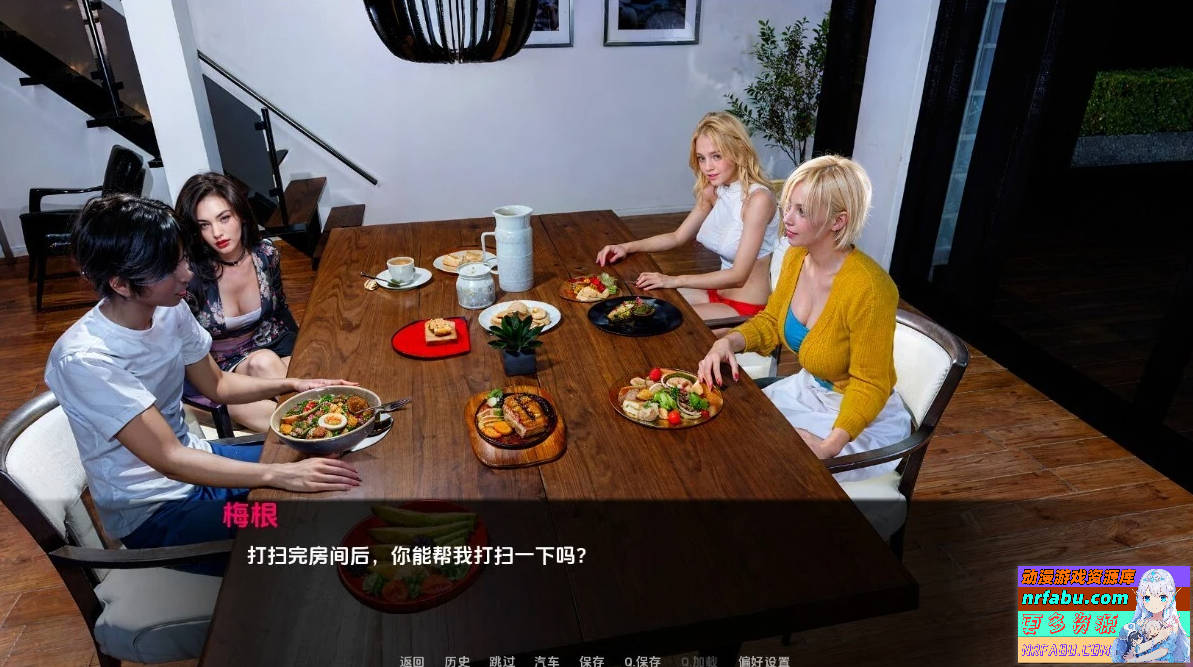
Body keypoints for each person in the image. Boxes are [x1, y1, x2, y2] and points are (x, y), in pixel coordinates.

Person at [44, 194, 359, 571]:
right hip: (158, 511)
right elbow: (170, 460)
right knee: (296, 525)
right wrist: (280, 474)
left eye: (182, 258)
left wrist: (291, 385)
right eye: (169, 267)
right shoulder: (87, 360)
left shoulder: (168, 309)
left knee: (331, 457)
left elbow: (218, 385)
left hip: (199, 462)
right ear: (121, 284)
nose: (187, 274)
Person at [696, 155, 910, 481]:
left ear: (838, 221)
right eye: (788, 207)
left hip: (854, 421)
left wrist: (828, 448)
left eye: (802, 211)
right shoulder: (797, 257)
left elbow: (870, 385)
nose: (787, 219)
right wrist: (728, 342)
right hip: (806, 392)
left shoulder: (870, 289)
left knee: (766, 472)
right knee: (725, 434)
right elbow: (772, 320)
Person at [595, 111, 779, 322]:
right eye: (701, 158)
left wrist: (674, 280)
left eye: (716, 156)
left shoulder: (758, 200)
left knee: (652, 320)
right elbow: (677, 237)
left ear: (738, 151)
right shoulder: (714, 191)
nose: (707, 167)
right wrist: (626, 247)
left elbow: (739, 276)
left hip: (745, 309)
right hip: (714, 293)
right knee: (636, 303)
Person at [176, 172, 298, 432]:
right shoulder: (190, 277)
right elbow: (183, 347)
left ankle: (322, 429)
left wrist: (302, 353)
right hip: (216, 372)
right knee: (287, 421)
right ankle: (323, 431)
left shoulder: (265, 255)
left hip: (268, 347)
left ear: (241, 214)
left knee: (267, 363)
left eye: (224, 218)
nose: (217, 233)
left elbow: (281, 313)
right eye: (204, 225)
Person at [1111, 568, 1190, 662]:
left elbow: (1163, 651)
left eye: (1162, 597)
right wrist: (1157, 639)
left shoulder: (1171, 625)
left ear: (1170, 598)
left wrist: (1136, 660)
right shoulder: (1142, 622)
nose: (1154, 603)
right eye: (1147, 597)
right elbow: (1136, 649)